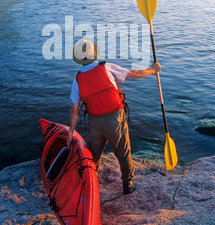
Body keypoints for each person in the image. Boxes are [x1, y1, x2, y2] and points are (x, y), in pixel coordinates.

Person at [67, 38, 161, 195]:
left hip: (94, 123)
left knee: (93, 156)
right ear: (94, 54)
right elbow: (133, 73)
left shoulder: (78, 79)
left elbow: (74, 111)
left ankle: (89, 185)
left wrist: (70, 132)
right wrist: (153, 70)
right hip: (114, 120)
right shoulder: (106, 67)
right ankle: (128, 184)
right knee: (123, 151)